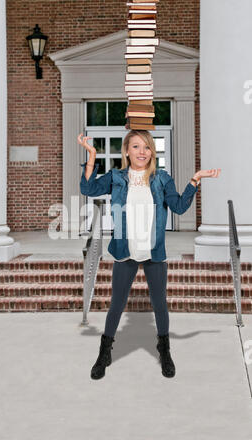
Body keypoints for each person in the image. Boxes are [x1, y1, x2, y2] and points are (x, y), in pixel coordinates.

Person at [78, 130, 221, 380]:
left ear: (151, 152)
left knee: (159, 304)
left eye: (146, 147)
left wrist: (195, 179)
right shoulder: (116, 177)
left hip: (154, 252)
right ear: (126, 151)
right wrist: (92, 155)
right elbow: (88, 188)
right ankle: (104, 352)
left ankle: (164, 350)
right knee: (117, 305)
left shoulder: (161, 179)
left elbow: (178, 206)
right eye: (135, 147)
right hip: (126, 251)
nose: (141, 152)